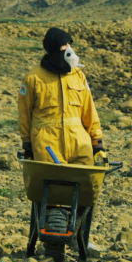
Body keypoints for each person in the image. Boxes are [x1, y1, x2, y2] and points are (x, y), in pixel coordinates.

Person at [19, 28, 105, 165]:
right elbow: (24, 113)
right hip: (47, 145)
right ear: (54, 48)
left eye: (70, 45)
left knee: (86, 182)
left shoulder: (78, 75)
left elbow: (89, 109)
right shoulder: (33, 78)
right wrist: (27, 142)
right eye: (65, 45)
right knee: (53, 182)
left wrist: (97, 141)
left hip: (79, 143)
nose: (69, 49)